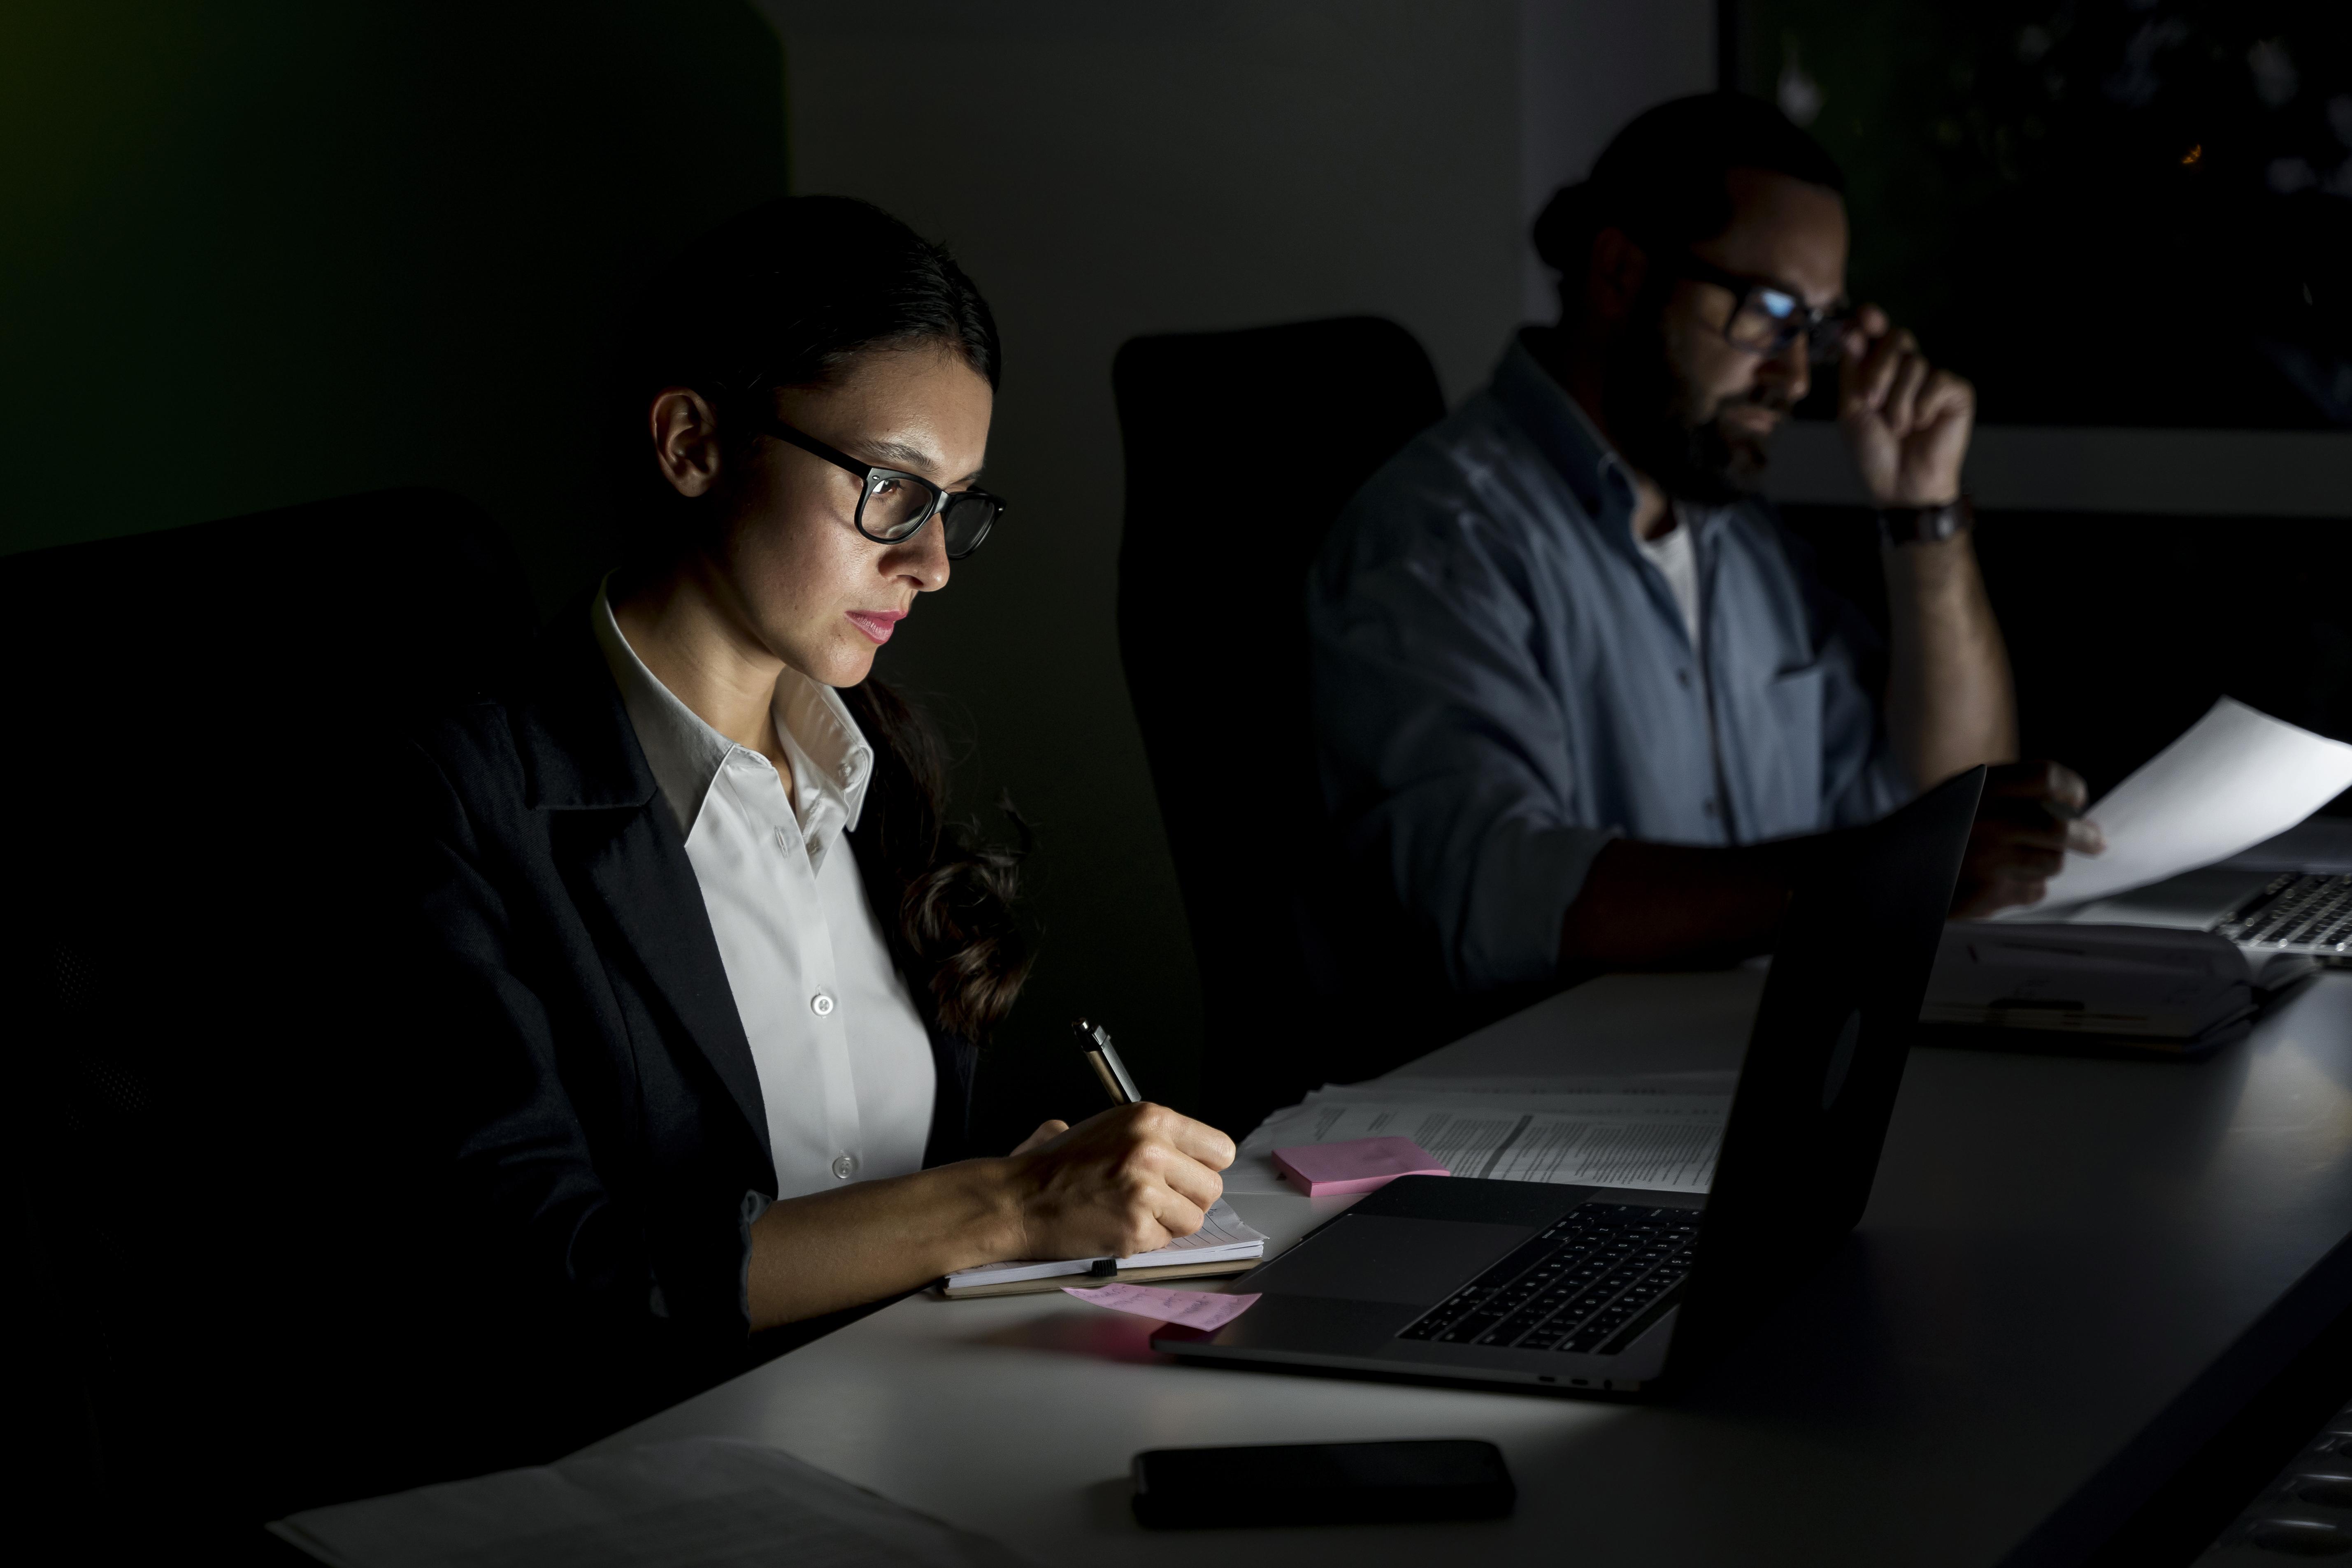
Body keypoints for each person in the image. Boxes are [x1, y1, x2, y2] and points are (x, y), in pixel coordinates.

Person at [405, 195, 1232, 1454]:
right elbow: (548, 1274)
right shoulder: (460, 797)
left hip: (919, 1439)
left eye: (955, 504)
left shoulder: (872, 768)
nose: (935, 562)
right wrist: (1004, 1207)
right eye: (894, 490)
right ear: (693, 443)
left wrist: (1037, 1212)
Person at [1306, 93, 2103, 1017]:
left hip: (1746, 1055)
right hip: (1557, 1101)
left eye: (1815, 328)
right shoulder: (1442, 533)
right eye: (1767, 313)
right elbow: (1490, 893)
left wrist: (1922, 510)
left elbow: (1938, 802)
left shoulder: (1739, 543)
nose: (1797, 376)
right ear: (1618, 271)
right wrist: (1867, 875)